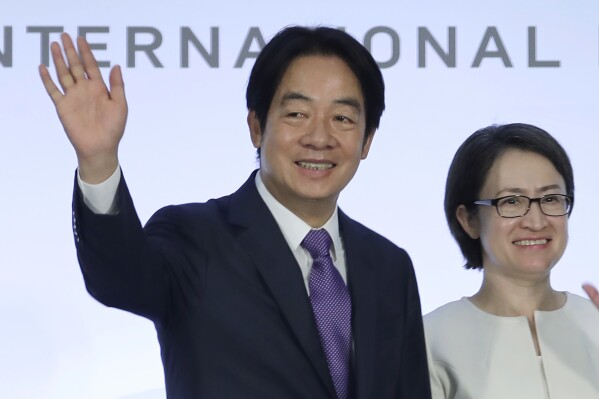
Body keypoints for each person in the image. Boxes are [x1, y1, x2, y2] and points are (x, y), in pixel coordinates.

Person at [39, 27, 431, 398]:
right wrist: (99, 160)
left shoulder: (389, 267)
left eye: (342, 118)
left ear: (367, 140)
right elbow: (118, 278)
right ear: (256, 127)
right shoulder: (193, 237)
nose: (319, 137)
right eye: (297, 113)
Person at [424, 123, 599, 399]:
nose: (536, 221)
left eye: (551, 198)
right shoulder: (430, 340)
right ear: (468, 219)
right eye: (512, 202)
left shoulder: (594, 322)